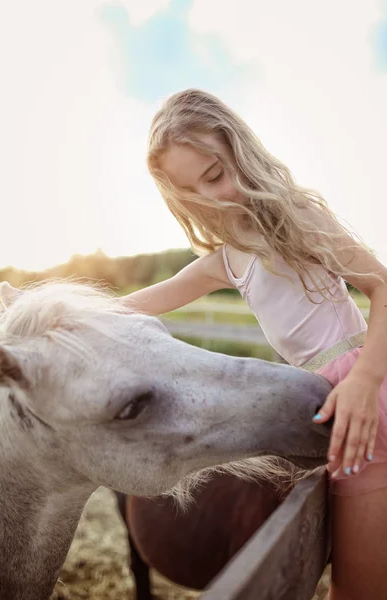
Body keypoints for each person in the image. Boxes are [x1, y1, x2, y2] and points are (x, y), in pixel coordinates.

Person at [121, 88, 387, 599]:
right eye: (195, 190)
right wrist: (40, 310)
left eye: (216, 173)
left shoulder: (298, 216)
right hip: (336, 413)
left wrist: (365, 380)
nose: (215, 197)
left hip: (369, 384)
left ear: (238, 146)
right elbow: (136, 304)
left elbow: (382, 285)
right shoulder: (225, 263)